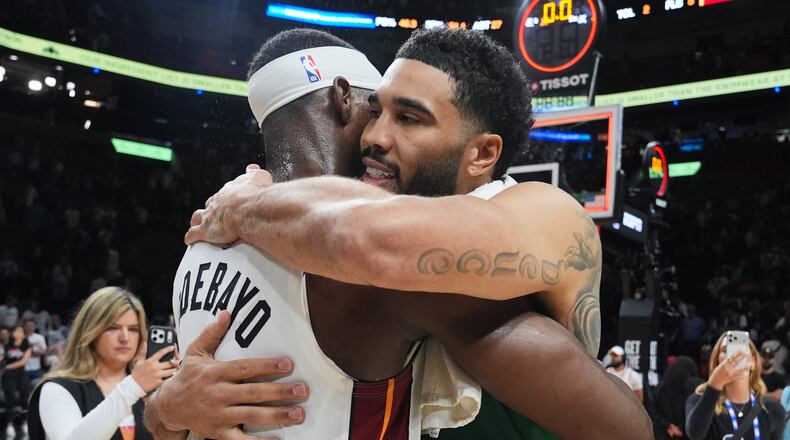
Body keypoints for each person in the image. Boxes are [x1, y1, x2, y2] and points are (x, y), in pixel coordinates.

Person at [146, 29, 650, 440]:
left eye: (408, 118)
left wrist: (253, 204)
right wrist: (167, 408)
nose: (374, 137)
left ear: (482, 154)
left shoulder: (541, 210)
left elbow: (370, 242)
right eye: (378, 111)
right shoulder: (246, 234)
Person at [26, 286, 179, 440]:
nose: (125, 337)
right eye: (113, 327)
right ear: (90, 331)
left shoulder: (150, 389)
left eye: (133, 329)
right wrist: (133, 386)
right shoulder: (56, 388)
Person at [685, 332, 786, 440]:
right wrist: (715, 383)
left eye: (741, 351)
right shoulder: (699, 401)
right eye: (725, 350)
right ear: (717, 361)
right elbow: (695, 434)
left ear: (753, 362)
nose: (733, 356)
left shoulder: (772, 410)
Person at [649, 356, 703, 439]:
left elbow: (653, 409)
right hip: (691, 433)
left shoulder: (661, 387)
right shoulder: (697, 385)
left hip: (667, 434)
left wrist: (668, 426)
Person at [3, 324, 32, 440]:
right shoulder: (7, 344)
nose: (18, 333)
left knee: (26, 397)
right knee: (10, 399)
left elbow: (22, 362)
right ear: (13, 333)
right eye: (16, 331)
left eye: (21, 331)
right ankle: (10, 425)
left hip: (20, 373)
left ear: (24, 334)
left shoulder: (27, 346)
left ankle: (25, 423)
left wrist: (7, 366)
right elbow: (3, 358)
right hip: (8, 376)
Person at [24, 318, 47, 384]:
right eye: (28, 326)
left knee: (38, 388)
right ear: (24, 327)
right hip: (24, 369)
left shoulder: (39, 337)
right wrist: (36, 351)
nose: (29, 328)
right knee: (25, 391)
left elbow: (43, 351)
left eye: (31, 326)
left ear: (35, 327)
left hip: (37, 368)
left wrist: (30, 351)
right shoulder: (21, 337)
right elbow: (21, 353)